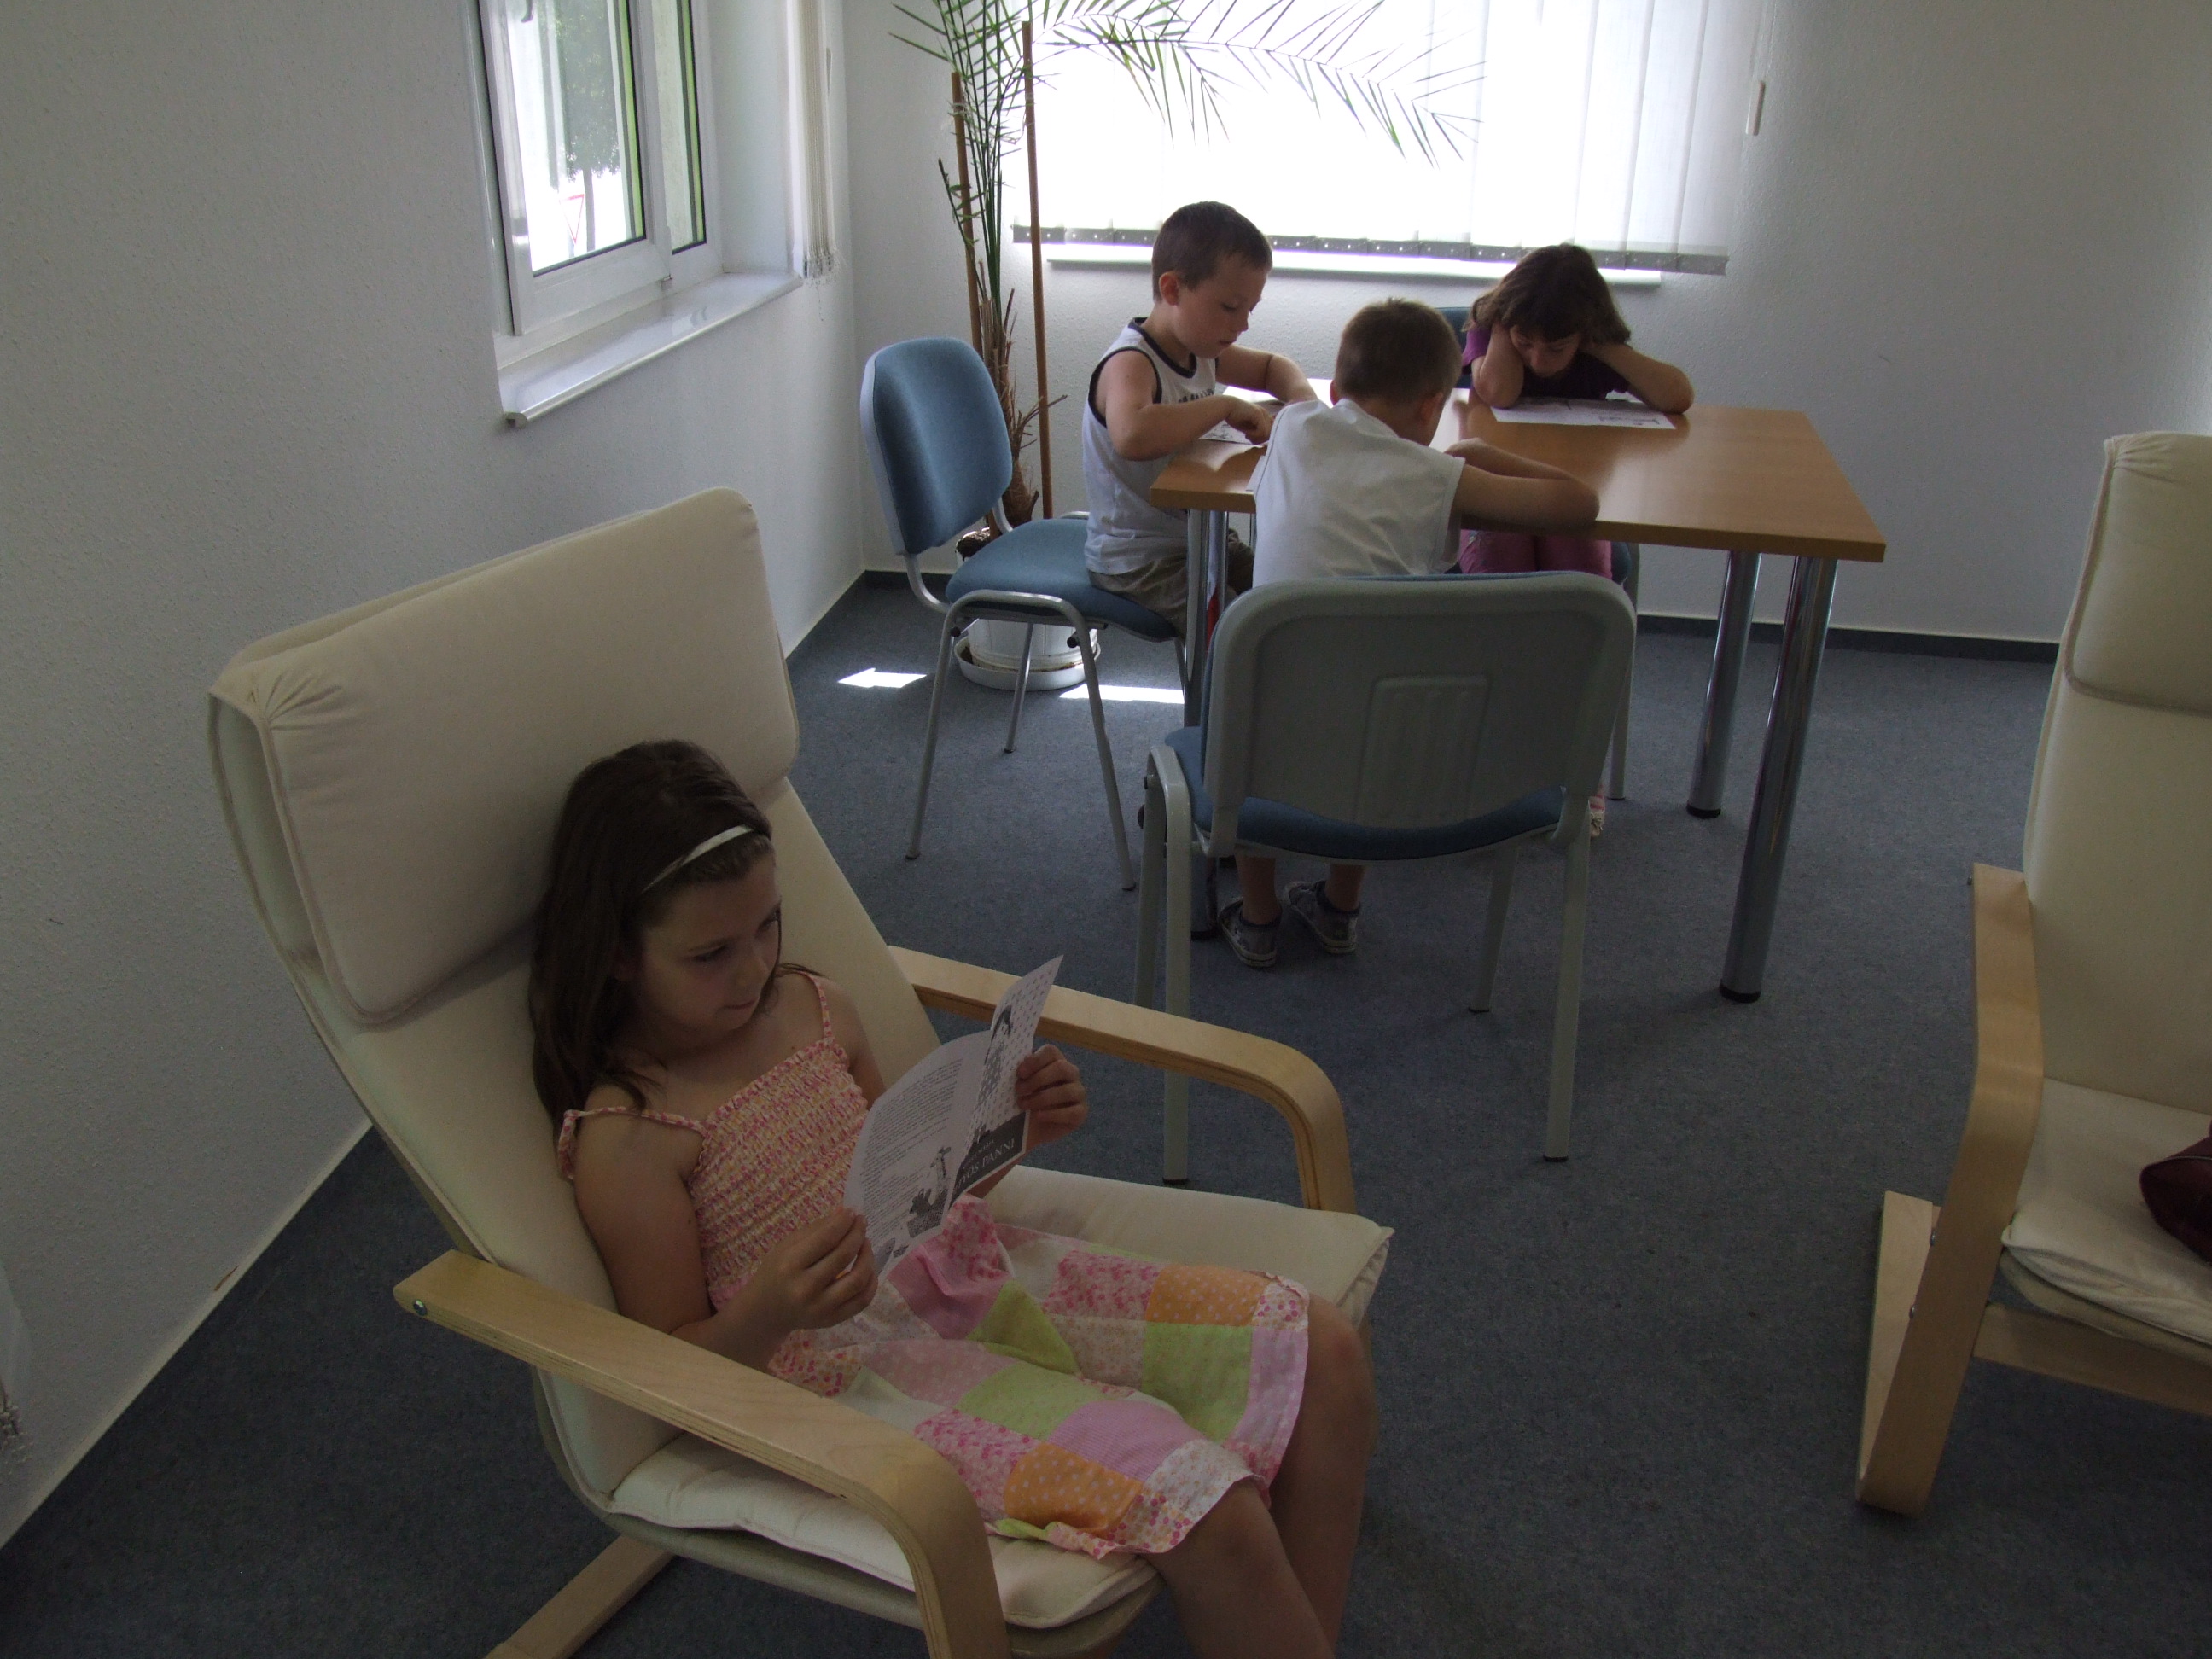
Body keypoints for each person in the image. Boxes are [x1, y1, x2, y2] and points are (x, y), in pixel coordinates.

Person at [531, 740, 1377, 1658]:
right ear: (619, 956)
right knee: (1208, 1507)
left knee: (1323, 1347)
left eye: (767, 925)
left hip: (970, 1275)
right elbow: (665, 1378)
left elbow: (913, 1191)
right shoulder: (634, 1137)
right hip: (856, 1379)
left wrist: (1014, 1132)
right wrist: (768, 1309)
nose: (752, 969)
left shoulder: (815, 1007)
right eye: (710, 954)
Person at [1220, 300, 1601, 968]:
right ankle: (1339, 910)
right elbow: (1580, 506)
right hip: (1394, 739)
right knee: (1377, 683)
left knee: (1254, 694)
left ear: (1337, 391)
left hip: (1275, 729)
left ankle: (1258, 918)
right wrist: (1480, 454)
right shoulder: (1440, 477)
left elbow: (1291, 402)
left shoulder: (1295, 429)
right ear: (1432, 406)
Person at [1081, 201, 1317, 629]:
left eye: (1250, 309)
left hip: (1201, 540)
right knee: (1242, 629)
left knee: (1288, 595)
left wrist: (1302, 400)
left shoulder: (1201, 350)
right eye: (1230, 307)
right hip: (1139, 559)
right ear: (1173, 290)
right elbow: (1131, 435)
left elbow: (1271, 367)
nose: (1242, 324)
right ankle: (1229, 676)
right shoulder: (1131, 363)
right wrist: (1223, 406)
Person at [1460, 242, 1693, 582]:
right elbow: (1499, 393)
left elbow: (1678, 396)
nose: (1538, 361)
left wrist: (1601, 344)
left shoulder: (1591, 352)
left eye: (1556, 349)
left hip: (1571, 491)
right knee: (1504, 564)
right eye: (1525, 343)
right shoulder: (1494, 333)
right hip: (1501, 486)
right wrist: (1501, 322)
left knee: (1576, 570)